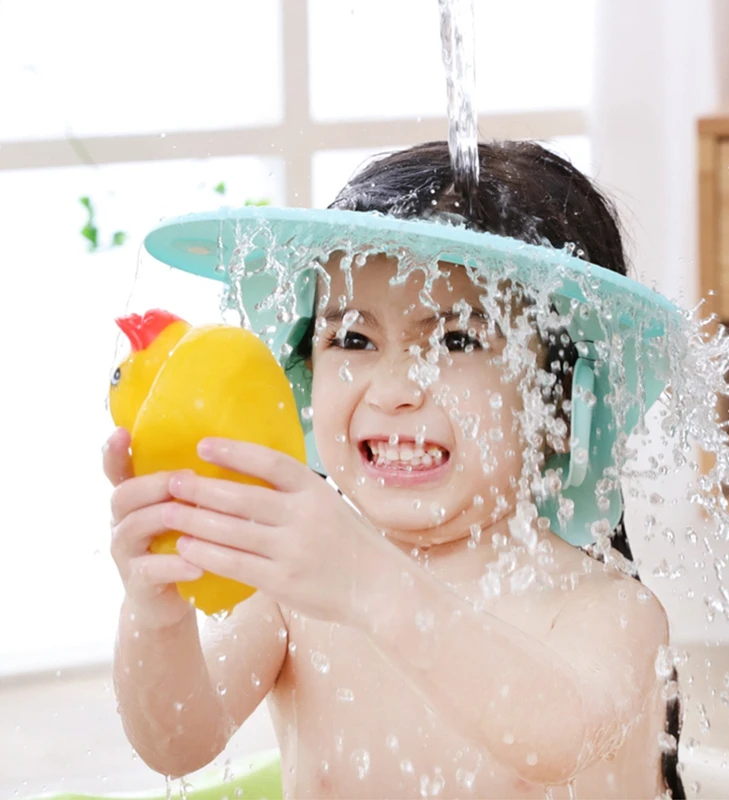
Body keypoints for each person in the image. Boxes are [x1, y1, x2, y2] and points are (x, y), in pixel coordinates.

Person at [104, 141, 684, 798]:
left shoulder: (608, 612)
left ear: (560, 406)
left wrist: (371, 583)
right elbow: (178, 742)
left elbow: (555, 739)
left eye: (457, 340)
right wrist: (157, 612)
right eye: (353, 339)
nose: (394, 389)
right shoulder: (293, 598)